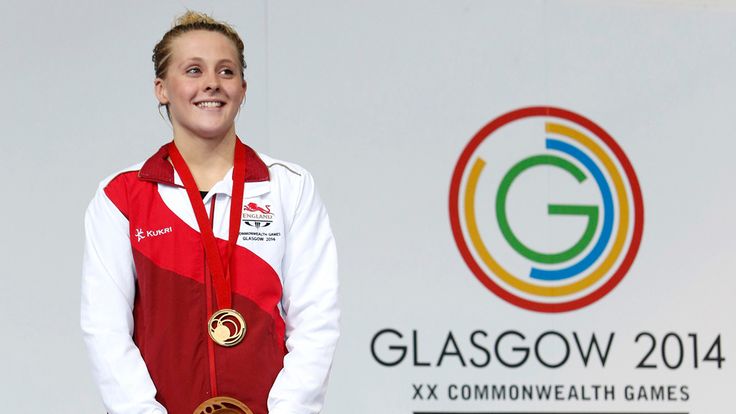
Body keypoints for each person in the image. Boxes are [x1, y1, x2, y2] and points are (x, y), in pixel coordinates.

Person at [81, 11, 339, 414]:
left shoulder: (288, 187)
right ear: (161, 88)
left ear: (243, 87)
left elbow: (316, 320)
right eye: (193, 70)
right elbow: (107, 330)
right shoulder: (122, 196)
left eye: (226, 71)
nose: (212, 84)